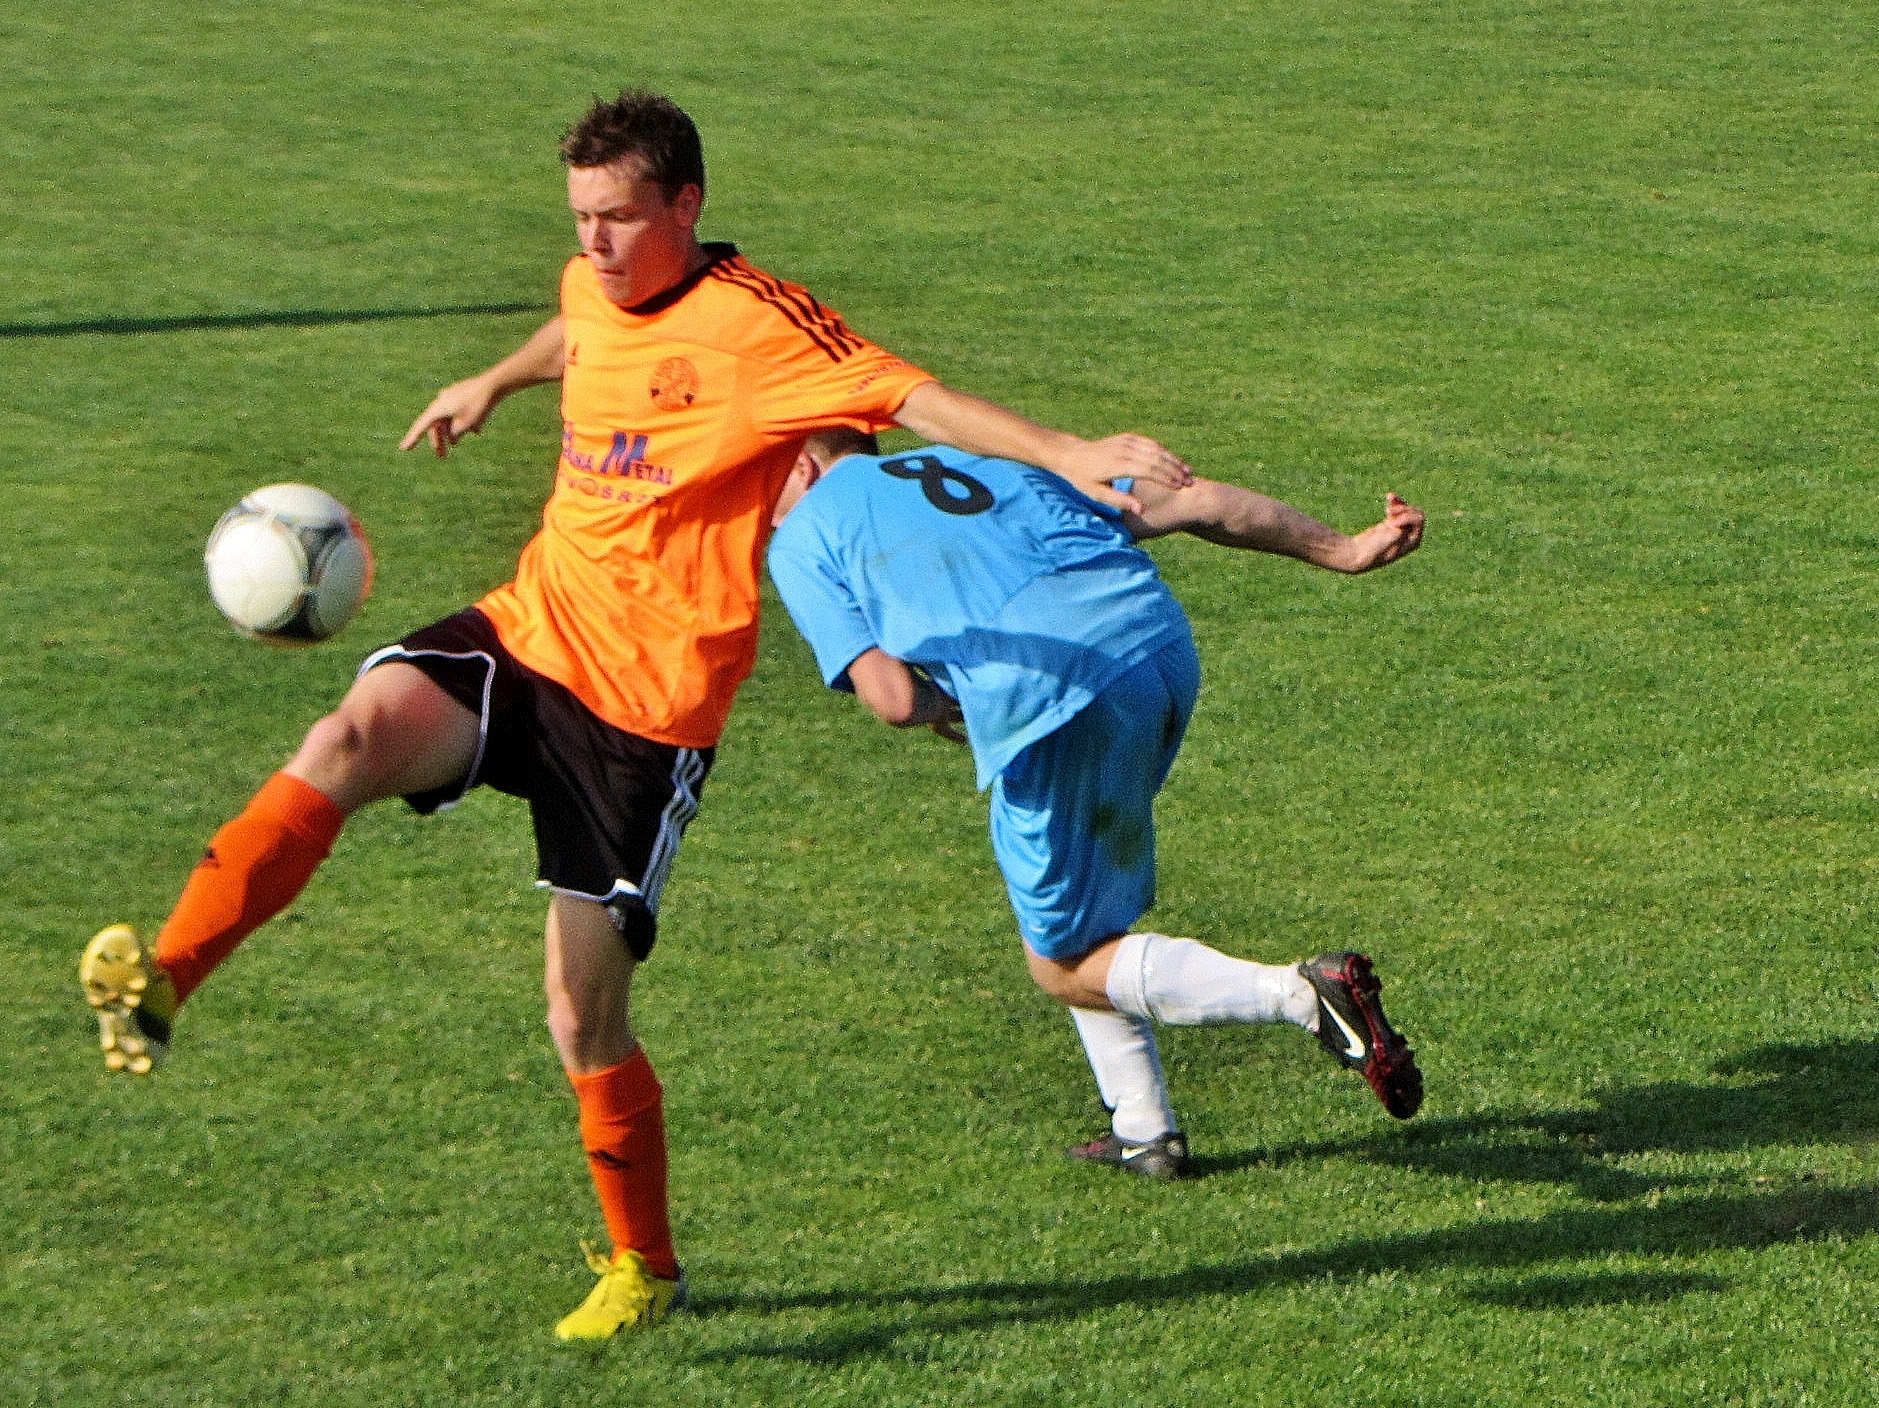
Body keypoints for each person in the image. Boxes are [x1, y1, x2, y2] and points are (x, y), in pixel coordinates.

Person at [77, 90, 1194, 1340]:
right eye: (579, 218)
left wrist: (1065, 445)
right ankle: (166, 974)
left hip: (644, 718)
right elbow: (575, 331)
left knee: (580, 1015)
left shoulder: (758, 329)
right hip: (531, 629)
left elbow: (915, 400)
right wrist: (491, 378)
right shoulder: (590, 282)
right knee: (342, 738)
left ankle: (643, 1266)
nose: (594, 244)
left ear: (685, 206)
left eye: (618, 218)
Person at [766, 428, 1427, 1179]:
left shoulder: (800, 541)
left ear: (800, 464)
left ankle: (1305, 995)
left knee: (1062, 964)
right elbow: (1198, 500)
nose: (757, 512)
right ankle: (1144, 1130)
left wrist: (952, 696)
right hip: (1156, 648)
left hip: (1056, 700)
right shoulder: (977, 459)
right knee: (1081, 924)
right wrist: (1341, 548)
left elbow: (888, 699)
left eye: (758, 490)